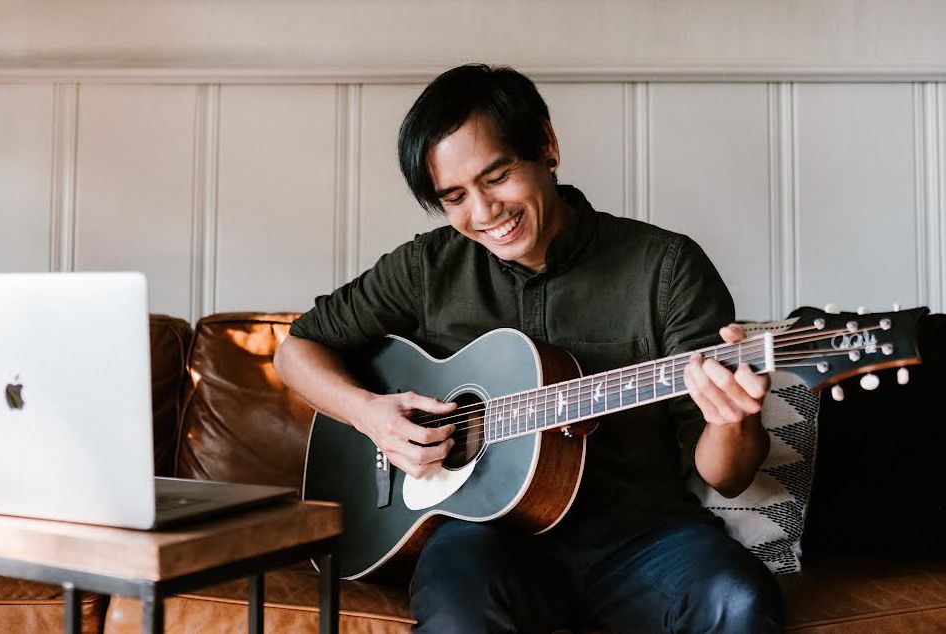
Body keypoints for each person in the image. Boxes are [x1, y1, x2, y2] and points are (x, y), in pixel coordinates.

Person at [274, 64, 783, 633]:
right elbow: (297, 348)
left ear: (546, 146)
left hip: (639, 538)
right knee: (460, 610)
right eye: (455, 197)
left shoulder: (664, 267)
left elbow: (729, 476)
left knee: (737, 599)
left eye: (498, 176)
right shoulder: (427, 267)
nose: (484, 212)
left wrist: (735, 420)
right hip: (483, 539)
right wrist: (372, 417)